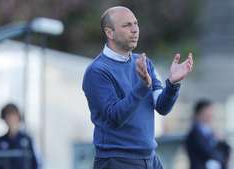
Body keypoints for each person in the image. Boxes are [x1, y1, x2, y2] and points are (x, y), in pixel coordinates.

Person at [82, 6, 194, 169]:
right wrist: (142, 87)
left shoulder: (144, 62)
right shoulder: (97, 71)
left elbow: (162, 107)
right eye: (127, 25)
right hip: (117, 160)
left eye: (136, 24)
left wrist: (173, 83)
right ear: (109, 33)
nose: (135, 30)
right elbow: (115, 117)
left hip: (150, 158)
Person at [0, 103, 40, 169]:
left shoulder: (27, 140)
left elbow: (35, 163)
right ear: (4, 119)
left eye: (13, 115)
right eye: (8, 116)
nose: (11, 119)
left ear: (18, 117)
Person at [184, 99, 230, 169]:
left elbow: (226, 149)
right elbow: (206, 152)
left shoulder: (210, 132)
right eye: (207, 111)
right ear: (199, 113)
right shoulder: (194, 134)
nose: (210, 114)